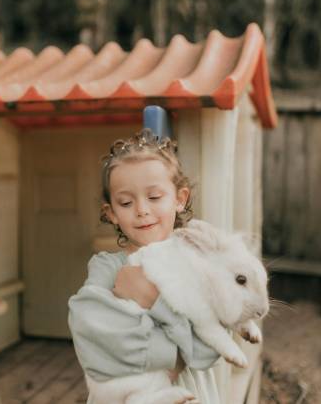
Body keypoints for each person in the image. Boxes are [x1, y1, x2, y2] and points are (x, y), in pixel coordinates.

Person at [68, 129, 223, 404]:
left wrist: (154, 300)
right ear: (111, 213)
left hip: (192, 394)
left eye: (154, 197)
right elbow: (92, 336)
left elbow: (211, 348)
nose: (141, 209)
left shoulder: (200, 262)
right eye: (126, 202)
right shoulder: (107, 268)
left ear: (179, 198)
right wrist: (175, 353)